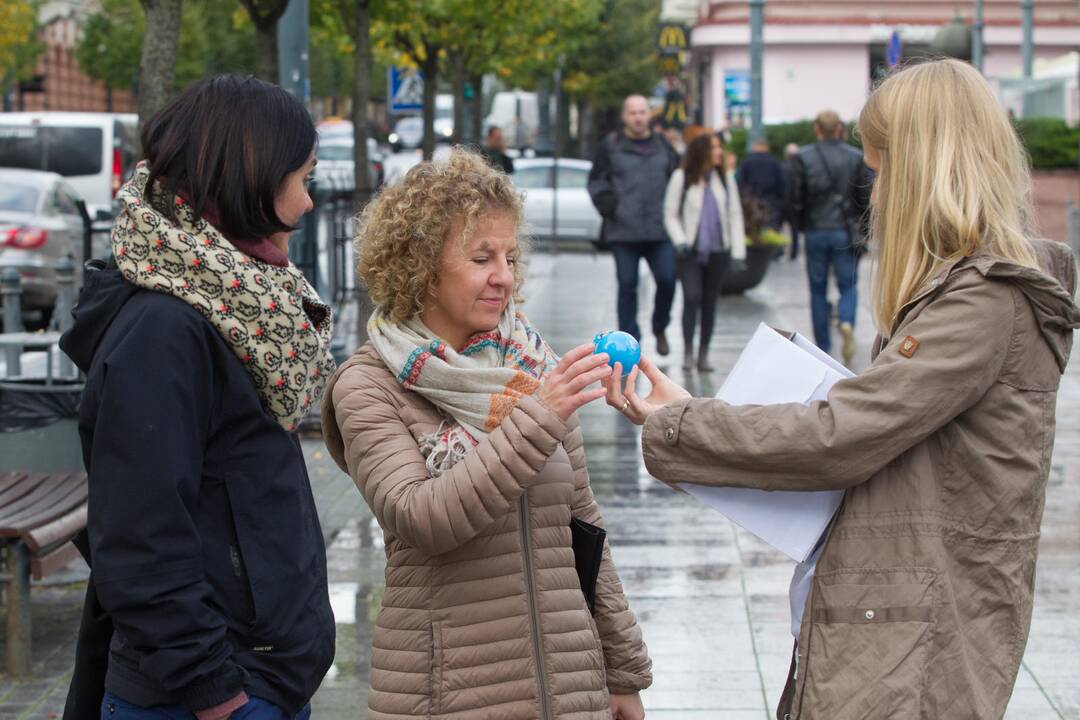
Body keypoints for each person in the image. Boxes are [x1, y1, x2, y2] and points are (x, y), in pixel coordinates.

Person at [603, 58, 1080, 720]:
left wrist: (684, 422)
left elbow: (843, 435)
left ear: (923, 169)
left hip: (917, 638)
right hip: (900, 621)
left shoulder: (985, 301)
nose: (875, 193)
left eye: (880, 170)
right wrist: (692, 415)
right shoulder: (962, 292)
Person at [321, 149, 652, 720]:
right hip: (447, 692)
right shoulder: (369, 385)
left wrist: (621, 669)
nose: (504, 276)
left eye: (509, 256)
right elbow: (424, 519)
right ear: (420, 265)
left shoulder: (530, 363)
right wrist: (536, 418)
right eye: (481, 257)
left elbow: (583, 525)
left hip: (566, 686)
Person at [57, 75, 336, 720]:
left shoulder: (234, 303)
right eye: (303, 179)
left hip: (255, 676)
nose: (308, 203)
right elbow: (140, 537)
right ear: (252, 182)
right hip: (206, 695)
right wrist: (217, 694)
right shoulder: (166, 327)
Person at [588, 94, 680, 355]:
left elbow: (677, 178)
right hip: (624, 230)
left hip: (659, 229)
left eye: (642, 112)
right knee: (627, 285)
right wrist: (609, 206)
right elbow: (596, 181)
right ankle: (630, 344)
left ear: (649, 115)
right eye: (633, 113)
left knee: (668, 279)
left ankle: (660, 326)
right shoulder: (611, 145)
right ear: (624, 116)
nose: (638, 117)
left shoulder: (663, 144)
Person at [788, 110, 872, 365]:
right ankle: (846, 321)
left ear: (817, 129)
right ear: (839, 130)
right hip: (844, 230)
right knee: (848, 284)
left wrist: (801, 226)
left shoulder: (804, 157)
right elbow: (864, 197)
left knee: (817, 288)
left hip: (816, 229)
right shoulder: (855, 157)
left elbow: (796, 197)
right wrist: (864, 229)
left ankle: (822, 344)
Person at [663, 133, 746, 372]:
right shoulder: (682, 177)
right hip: (689, 251)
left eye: (719, 147)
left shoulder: (725, 178)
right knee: (691, 298)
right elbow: (670, 213)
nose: (720, 152)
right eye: (715, 148)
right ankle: (688, 352)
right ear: (701, 151)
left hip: (719, 251)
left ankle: (703, 354)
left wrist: (738, 252)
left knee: (709, 302)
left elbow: (735, 214)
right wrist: (679, 240)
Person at [737, 135, 786, 233]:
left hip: (751, 206)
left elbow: (741, 185)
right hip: (772, 206)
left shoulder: (746, 162)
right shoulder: (775, 163)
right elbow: (782, 187)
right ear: (767, 147)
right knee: (771, 237)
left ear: (755, 146)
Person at [782, 142, 801, 260]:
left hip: (784, 202)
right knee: (794, 229)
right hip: (795, 203)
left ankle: (779, 251)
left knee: (780, 227)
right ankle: (794, 252)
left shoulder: (783, 166)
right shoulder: (800, 168)